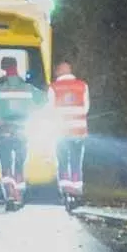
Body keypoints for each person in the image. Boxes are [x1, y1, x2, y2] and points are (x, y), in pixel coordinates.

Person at [0, 56, 46, 210]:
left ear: (4, 70)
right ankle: (18, 196)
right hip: (22, 131)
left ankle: (10, 196)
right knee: (19, 164)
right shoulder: (28, 89)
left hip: (4, 131)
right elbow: (43, 100)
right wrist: (30, 111)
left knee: (6, 165)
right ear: (17, 68)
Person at [49, 60, 91, 210]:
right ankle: (77, 191)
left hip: (60, 133)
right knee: (76, 162)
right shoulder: (82, 86)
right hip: (79, 132)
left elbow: (50, 110)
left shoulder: (54, 88)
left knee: (62, 161)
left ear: (58, 71)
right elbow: (86, 108)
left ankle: (66, 192)